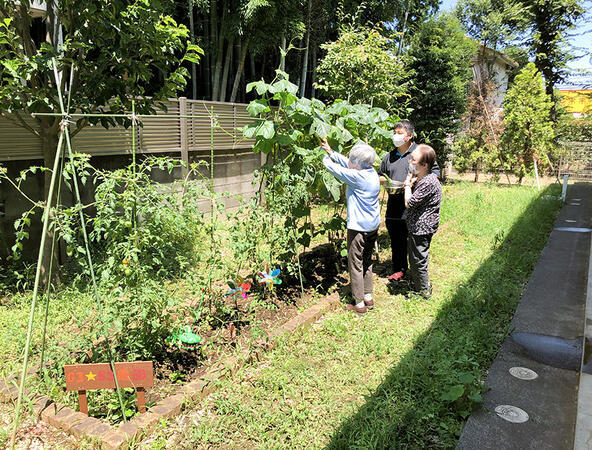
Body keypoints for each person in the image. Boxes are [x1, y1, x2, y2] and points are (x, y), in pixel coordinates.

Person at [321, 139, 380, 314]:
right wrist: (331, 152)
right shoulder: (371, 172)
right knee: (367, 261)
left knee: (355, 263)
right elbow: (348, 163)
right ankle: (368, 296)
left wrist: (324, 158)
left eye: (352, 160)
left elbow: (336, 169)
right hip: (372, 226)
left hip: (358, 228)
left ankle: (359, 303)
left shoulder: (356, 177)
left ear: (357, 164)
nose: (350, 162)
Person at [378, 120, 440, 282]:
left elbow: (435, 173)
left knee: (413, 243)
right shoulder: (389, 156)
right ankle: (399, 269)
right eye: (395, 132)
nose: (396, 136)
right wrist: (386, 182)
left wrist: (414, 183)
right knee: (396, 240)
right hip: (393, 206)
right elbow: (380, 174)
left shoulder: (419, 153)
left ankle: (417, 275)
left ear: (410, 136)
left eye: (400, 133)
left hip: (414, 207)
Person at [403, 144, 442, 298]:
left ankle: (423, 291)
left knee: (418, 259)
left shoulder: (428, 182)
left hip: (421, 228)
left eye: (413, 160)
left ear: (424, 165)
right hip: (419, 226)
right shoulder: (424, 178)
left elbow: (409, 203)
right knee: (415, 257)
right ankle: (418, 284)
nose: (410, 162)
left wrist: (407, 184)